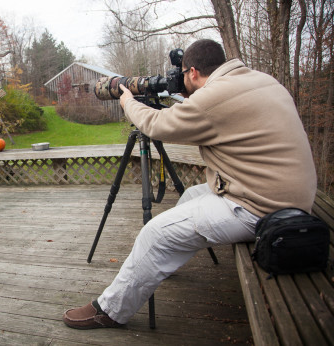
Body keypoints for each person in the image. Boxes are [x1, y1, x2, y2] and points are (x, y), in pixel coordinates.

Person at [62, 39, 317, 329]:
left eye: (183, 74)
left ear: (193, 72)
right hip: (288, 195)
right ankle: (159, 265)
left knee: (154, 234)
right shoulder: (259, 80)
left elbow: (156, 125)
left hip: (264, 209)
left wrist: (127, 101)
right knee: (192, 196)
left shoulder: (215, 97)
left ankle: (109, 310)